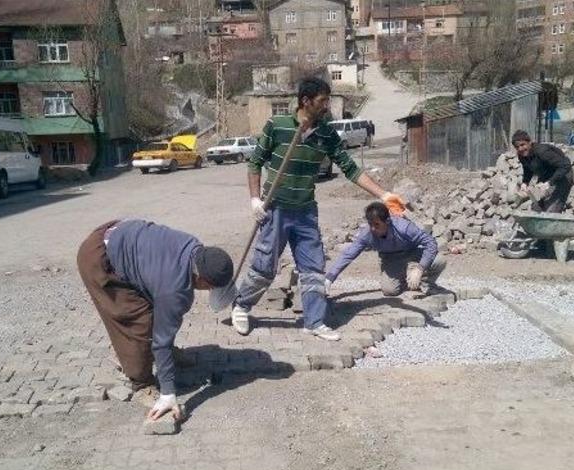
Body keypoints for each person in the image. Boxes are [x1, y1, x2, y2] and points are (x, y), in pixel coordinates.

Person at [231, 77, 407, 341]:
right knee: (265, 265)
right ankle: (242, 306)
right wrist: (255, 199)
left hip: (305, 212)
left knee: (313, 269)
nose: (326, 106)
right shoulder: (276, 126)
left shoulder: (326, 133)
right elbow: (255, 163)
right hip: (275, 208)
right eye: (322, 101)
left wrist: (384, 194)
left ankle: (314, 321)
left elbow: (350, 169)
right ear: (306, 101)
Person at [77, 219, 234, 421]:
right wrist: (168, 393)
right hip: (99, 259)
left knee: (159, 310)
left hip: (120, 236)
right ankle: (140, 381)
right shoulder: (174, 290)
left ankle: (156, 357)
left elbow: (165, 307)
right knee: (138, 322)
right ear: (202, 279)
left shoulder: (194, 249)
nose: (210, 291)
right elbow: (162, 339)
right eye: (211, 288)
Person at [326, 202, 446, 297]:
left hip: (412, 254)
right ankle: (409, 278)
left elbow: (430, 242)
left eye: (377, 224)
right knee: (390, 291)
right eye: (370, 224)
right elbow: (348, 254)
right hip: (390, 260)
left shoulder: (404, 227)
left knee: (440, 260)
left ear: (387, 221)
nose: (373, 228)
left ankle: (424, 282)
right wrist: (329, 278)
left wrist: (420, 269)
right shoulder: (367, 234)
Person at [511, 130, 574, 213]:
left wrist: (549, 183)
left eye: (522, 145)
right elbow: (527, 170)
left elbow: (565, 165)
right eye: (517, 147)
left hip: (563, 176)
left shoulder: (542, 152)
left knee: (551, 210)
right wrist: (525, 183)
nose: (520, 149)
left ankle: (552, 221)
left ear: (529, 142)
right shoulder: (522, 156)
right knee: (536, 207)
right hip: (546, 177)